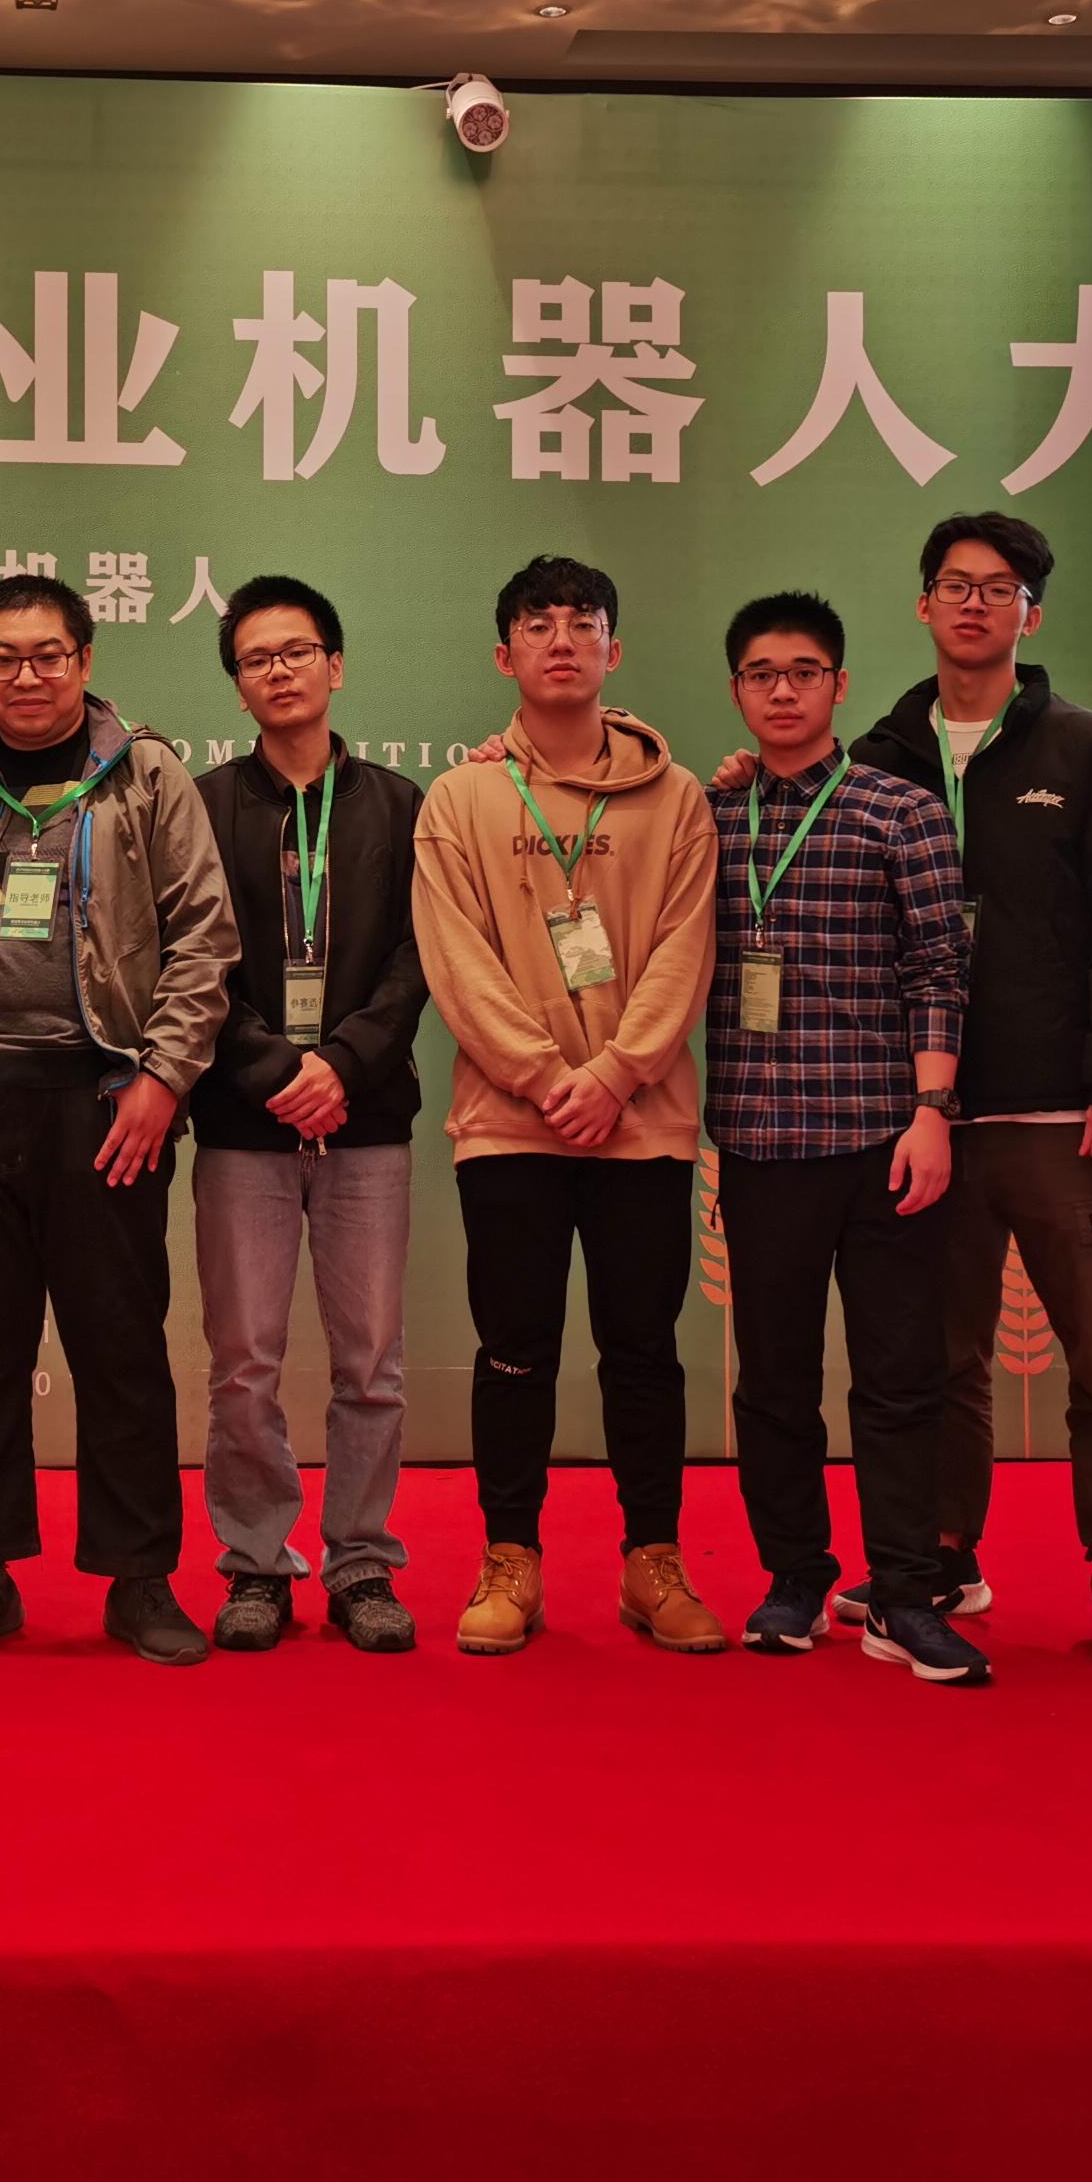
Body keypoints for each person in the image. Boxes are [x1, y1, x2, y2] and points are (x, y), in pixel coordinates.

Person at [838, 513, 1092, 1666]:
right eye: (954, 584)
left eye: (999, 588)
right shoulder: (879, 753)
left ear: (1033, 613)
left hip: (1067, 1117)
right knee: (940, 1359)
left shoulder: (1086, 749)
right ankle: (944, 1555)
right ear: (922, 605)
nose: (974, 603)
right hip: (924, 1119)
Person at [0, 572, 239, 1666]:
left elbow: (205, 939)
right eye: (3, 658)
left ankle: (139, 1579)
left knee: (119, 1347)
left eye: (47, 656)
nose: (25, 676)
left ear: (85, 661)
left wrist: (163, 1077)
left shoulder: (146, 777)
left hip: (105, 1104)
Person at [412, 554, 719, 1656]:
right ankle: (511, 1559)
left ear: (613, 650)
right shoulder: (461, 798)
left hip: (643, 1124)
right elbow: (457, 961)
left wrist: (619, 1073)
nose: (560, 639)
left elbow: (686, 949)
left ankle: (653, 1561)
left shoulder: (679, 799)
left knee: (643, 1348)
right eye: (537, 624)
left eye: (581, 622)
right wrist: (548, 1078)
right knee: (515, 1348)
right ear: (505, 655)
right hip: (511, 1125)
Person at [705, 591, 990, 1686]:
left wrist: (932, 1112)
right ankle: (793, 1576)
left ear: (839, 685)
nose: (783, 691)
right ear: (737, 689)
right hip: (757, 1141)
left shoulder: (897, 811)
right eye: (761, 674)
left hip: (882, 1140)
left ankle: (906, 1591)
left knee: (901, 1378)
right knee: (773, 1381)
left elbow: (939, 969)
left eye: (804, 672)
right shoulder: (708, 818)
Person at [189, 576, 430, 1655]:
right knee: (243, 1359)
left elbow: (419, 959)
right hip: (244, 1123)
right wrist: (275, 1069)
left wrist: (341, 1064)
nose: (279, 671)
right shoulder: (202, 806)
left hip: (366, 1120)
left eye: (297, 651)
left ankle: (362, 1562)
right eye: (257, 658)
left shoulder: (401, 806)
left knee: (371, 1360)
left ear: (335, 665)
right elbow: (189, 958)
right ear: (237, 684)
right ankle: (255, 1563)